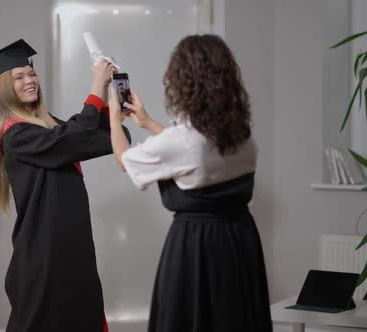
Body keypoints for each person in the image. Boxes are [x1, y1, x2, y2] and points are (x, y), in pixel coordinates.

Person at [108, 34, 272, 332]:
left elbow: (125, 160)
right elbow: (190, 155)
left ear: (183, 81)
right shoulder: (242, 134)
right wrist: (146, 122)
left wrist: (113, 119)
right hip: (240, 240)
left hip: (196, 247)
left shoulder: (183, 140)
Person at [0, 39, 129, 332]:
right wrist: (95, 86)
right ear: (5, 87)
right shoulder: (16, 136)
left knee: (81, 316)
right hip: (44, 254)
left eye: (31, 73)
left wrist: (113, 104)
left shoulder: (47, 125)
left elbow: (102, 137)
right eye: (18, 77)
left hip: (72, 247)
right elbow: (75, 135)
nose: (29, 80)